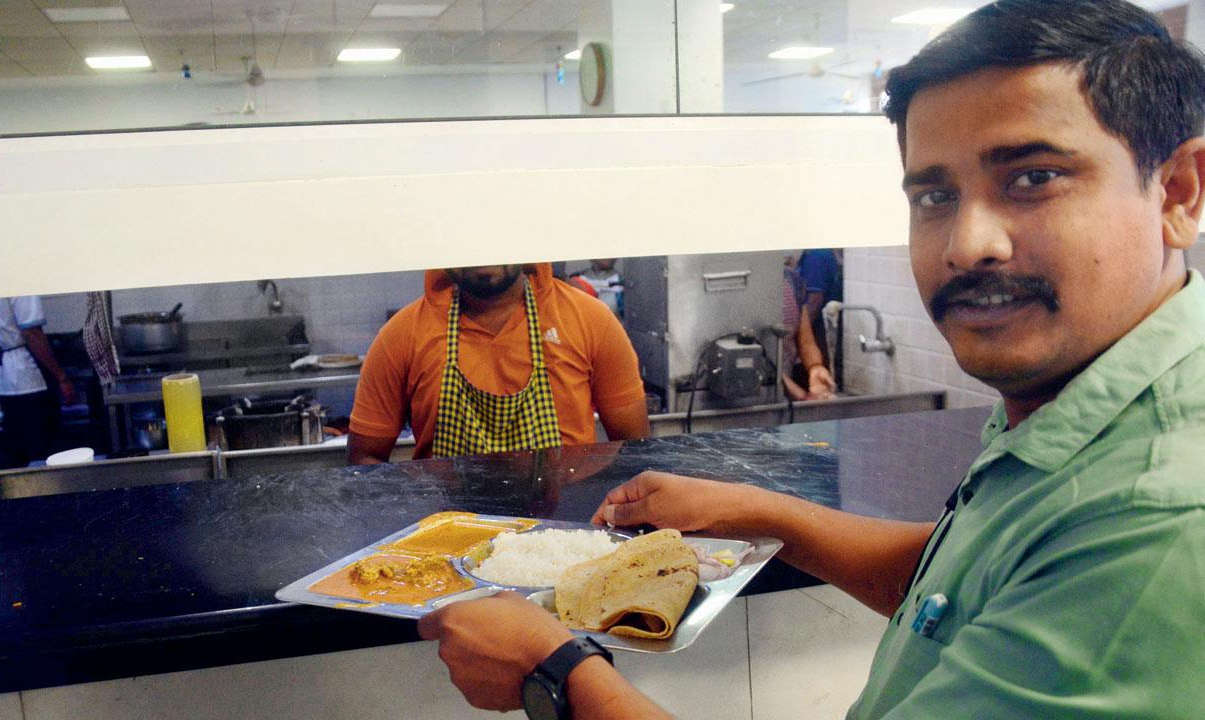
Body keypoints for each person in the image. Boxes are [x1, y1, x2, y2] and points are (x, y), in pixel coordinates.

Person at [417, 1, 1205, 717]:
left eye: (1033, 178)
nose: (969, 244)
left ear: (1178, 192)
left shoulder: (1158, 520)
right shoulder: (1083, 408)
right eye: (934, 196)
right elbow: (954, 589)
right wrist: (765, 516)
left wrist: (553, 669)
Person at [348, 264, 650, 463]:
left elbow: (635, 453)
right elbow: (364, 462)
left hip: (565, 538)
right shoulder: (401, 334)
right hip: (444, 539)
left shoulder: (589, 319)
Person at [0, 296, 75, 467]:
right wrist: (61, 377)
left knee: (16, 447)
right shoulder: (20, 284)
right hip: (27, 375)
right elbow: (32, 333)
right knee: (42, 450)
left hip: (1, 374)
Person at [781, 267, 836, 401]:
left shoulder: (791, 279)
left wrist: (815, 367)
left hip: (786, 391)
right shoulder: (745, 283)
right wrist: (801, 395)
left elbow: (806, 343)